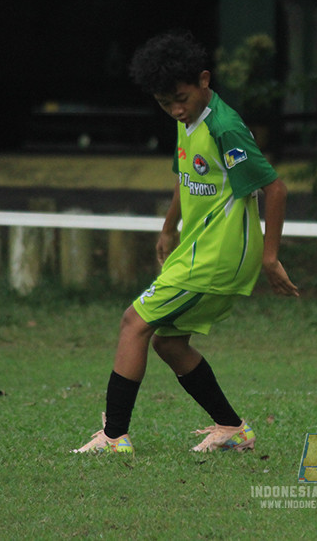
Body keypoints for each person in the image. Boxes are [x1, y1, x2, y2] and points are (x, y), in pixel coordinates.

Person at [73, 30, 299, 455]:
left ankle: (114, 436)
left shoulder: (224, 126)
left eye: (181, 98)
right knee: (169, 342)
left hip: (220, 254)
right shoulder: (189, 120)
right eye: (165, 103)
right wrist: (168, 227)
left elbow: (277, 189)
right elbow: (188, 176)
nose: (176, 109)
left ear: (204, 81)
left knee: (133, 323)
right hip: (199, 249)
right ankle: (232, 428)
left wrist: (271, 258)